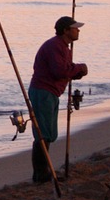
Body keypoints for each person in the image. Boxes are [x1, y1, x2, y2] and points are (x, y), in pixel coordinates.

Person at [28, 16, 88, 183]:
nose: (78, 30)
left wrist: (76, 72)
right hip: (43, 92)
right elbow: (59, 71)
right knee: (43, 134)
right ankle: (41, 175)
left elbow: (64, 70)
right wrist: (79, 68)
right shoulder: (55, 46)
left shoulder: (63, 48)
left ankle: (42, 173)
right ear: (65, 31)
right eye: (75, 28)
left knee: (48, 133)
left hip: (50, 92)